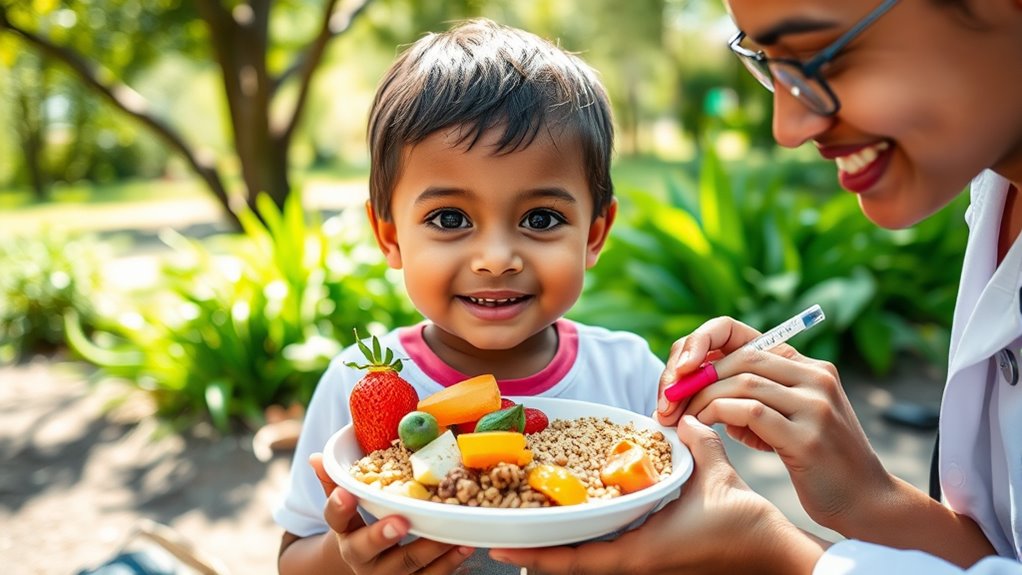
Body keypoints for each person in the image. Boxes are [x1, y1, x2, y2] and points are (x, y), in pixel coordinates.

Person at [490, 0, 1022, 573]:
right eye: (767, 64)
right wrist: (869, 497)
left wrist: (771, 548)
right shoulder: (996, 193)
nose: (786, 129)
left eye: (819, 57)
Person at [273, 18, 667, 575]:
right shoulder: (361, 385)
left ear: (595, 234)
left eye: (541, 217)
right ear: (389, 236)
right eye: (450, 218)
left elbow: (695, 527)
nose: (496, 257)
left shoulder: (631, 377)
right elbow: (294, 558)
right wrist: (352, 560)